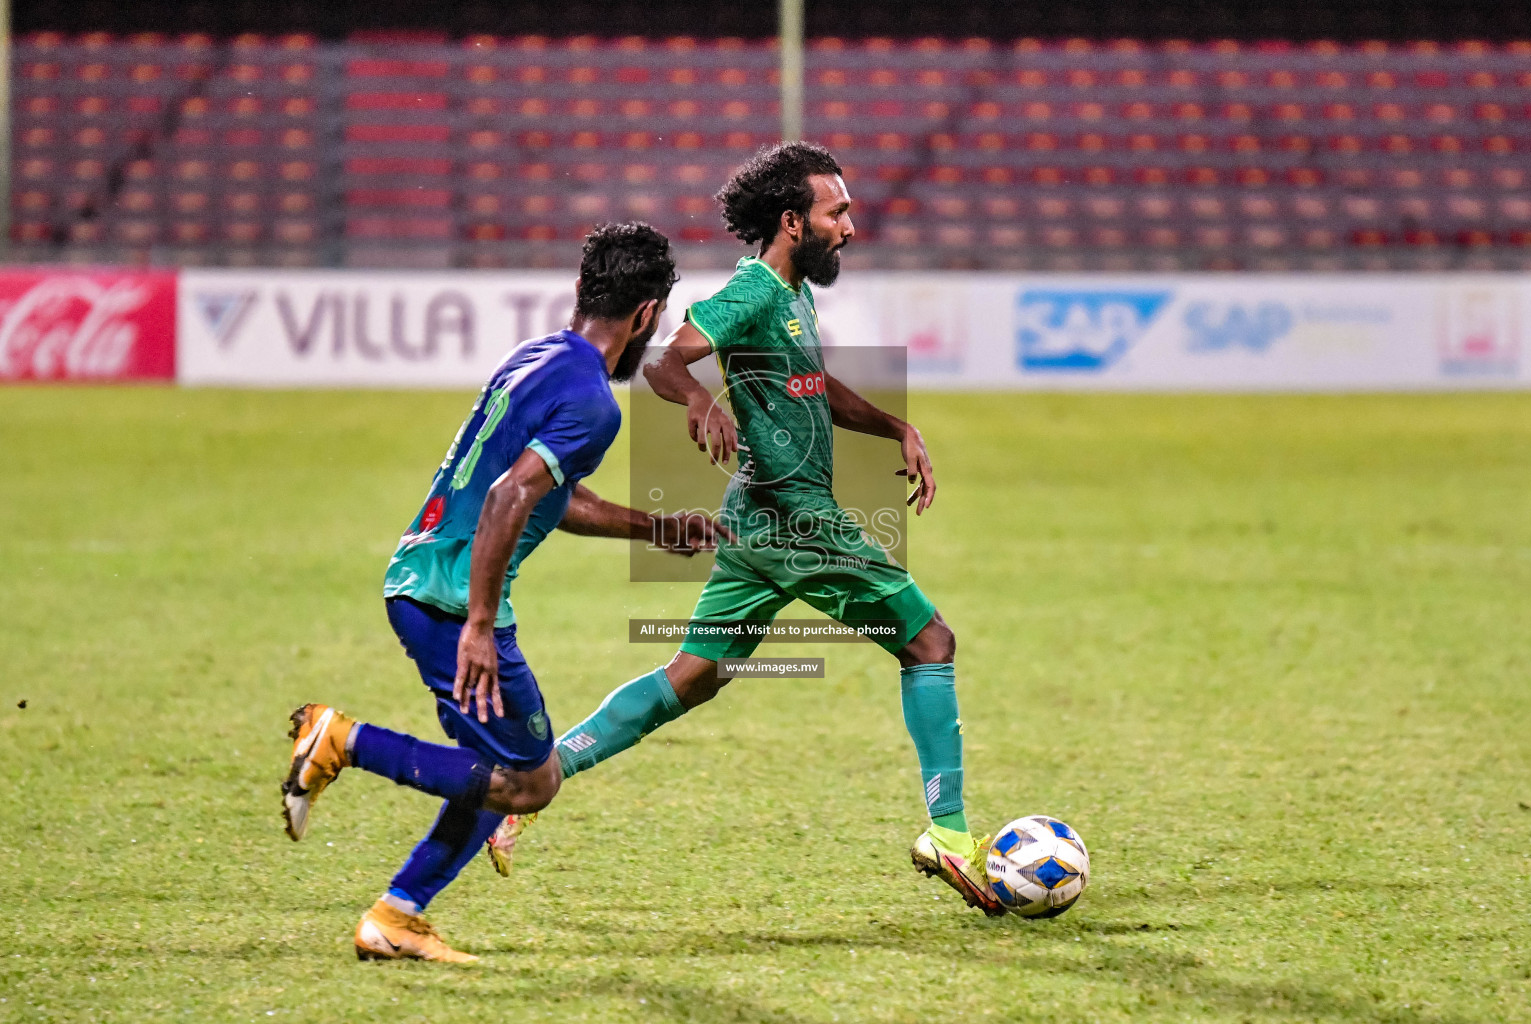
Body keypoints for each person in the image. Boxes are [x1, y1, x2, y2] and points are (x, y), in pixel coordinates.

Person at [492, 143, 1004, 916]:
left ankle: (533, 784)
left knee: (691, 680)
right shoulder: (756, 289)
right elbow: (668, 361)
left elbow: (810, 383)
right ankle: (952, 835)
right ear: (794, 222)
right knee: (930, 643)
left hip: (753, 522)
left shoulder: (791, 295)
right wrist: (699, 402)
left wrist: (894, 425)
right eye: (838, 212)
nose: (851, 227)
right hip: (800, 522)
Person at [279, 222, 724, 962]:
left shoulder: (536, 356)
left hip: (424, 580)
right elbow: (507, 499)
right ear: (647, 315)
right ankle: (343, 741)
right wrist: (480, 626)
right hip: (454, 603)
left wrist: (655, 529)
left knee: (499, 773)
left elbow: (547, 497)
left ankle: (398, 915)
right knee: (531, 780)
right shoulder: (595, 402)